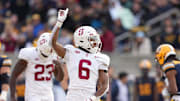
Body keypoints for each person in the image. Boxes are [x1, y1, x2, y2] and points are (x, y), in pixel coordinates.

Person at [51, 9, 110, 101]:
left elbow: (105, 85)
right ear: (82, 40)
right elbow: (53, 43)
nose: (95, 42)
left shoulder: (100, 58)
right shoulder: (71, 52)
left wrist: (94, 97)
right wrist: (59, 23)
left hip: (88, 95)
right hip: (74, 94)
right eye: (92, 39)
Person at [9, 33, 64, 101]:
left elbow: (59, 79)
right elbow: (14, 75)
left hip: (48, 94)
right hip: (33, 95)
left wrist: (60, 67)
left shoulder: (54, 55)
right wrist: (12, 96)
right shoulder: (29, 54)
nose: (45, 56)